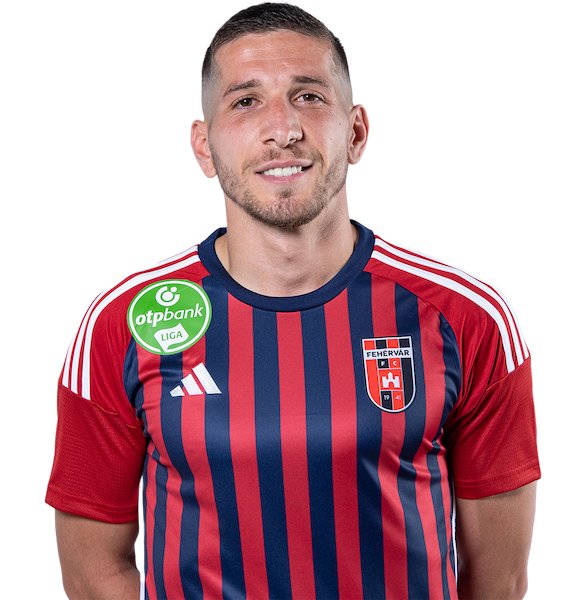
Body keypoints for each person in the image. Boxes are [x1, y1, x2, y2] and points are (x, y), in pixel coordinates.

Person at [45, 3, 541, 599]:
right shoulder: (123, 323)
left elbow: (498, 580)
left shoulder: (469, 317)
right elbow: (92, 570)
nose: (282, 130)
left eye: (308, 96)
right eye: (245, 101)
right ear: (202, 147)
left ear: (356, 132)